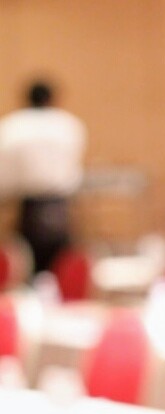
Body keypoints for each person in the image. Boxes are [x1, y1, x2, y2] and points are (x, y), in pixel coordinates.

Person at [0, 80, 86, 275]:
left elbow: (5, 174)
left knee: (30, 269)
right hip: (60, 207)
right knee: (61, 270)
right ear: (51, 99)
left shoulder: (13, 127)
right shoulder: (68, 125)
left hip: (30, 207)